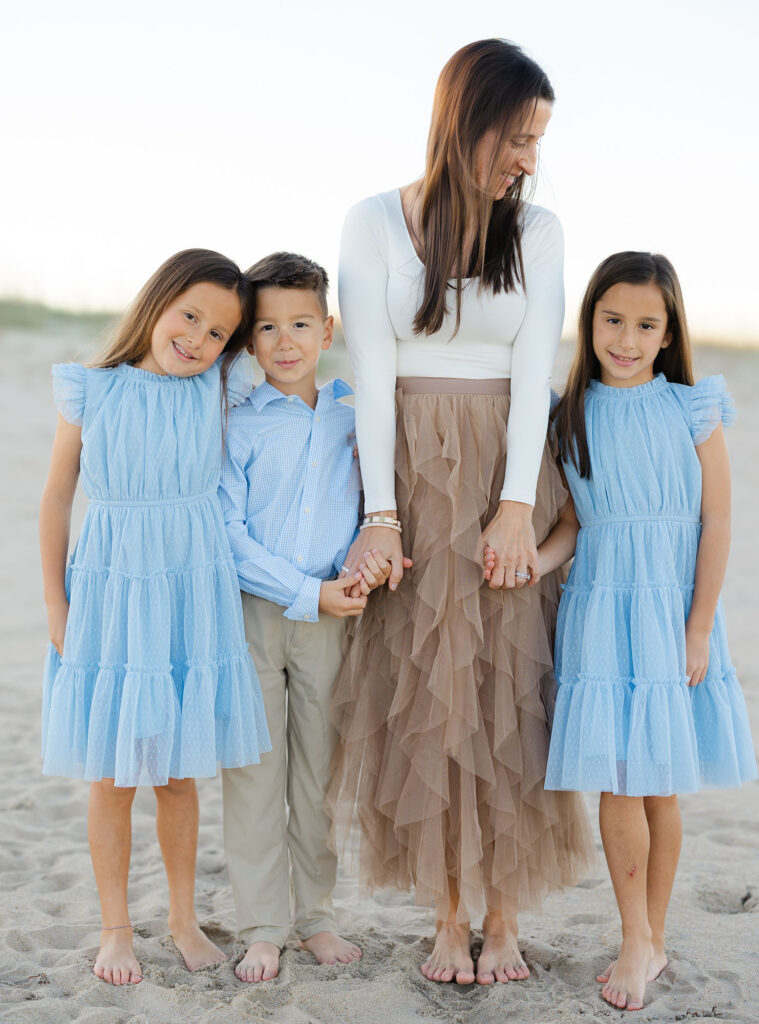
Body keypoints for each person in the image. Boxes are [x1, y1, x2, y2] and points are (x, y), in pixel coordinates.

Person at [327, 39, 594, 986]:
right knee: (428, 698)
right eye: (518, 136)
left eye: (537, 140)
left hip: (504, 467)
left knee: (509, 689)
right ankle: (446, 914)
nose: (529, 157)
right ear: (466, 119)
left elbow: (536, 377)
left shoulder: (541, 231)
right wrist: (383, 514)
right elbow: (368, 372)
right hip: (406, 469)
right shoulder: (373, 220)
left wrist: (518, 506)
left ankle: (507, 917)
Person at [39, 249, 271, 986]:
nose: (198, 339)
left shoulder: (220, 386)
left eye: (217, 333)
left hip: (189, 596)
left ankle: (180, 917)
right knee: (113, 775)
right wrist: (55, 602)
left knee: (176, 775)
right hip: (111, 596)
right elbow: (54, 499)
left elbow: (290, 341)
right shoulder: (93, 390)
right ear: (158, 302)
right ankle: (115, 929)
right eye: (190, 316)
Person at [538, 251, 757, 1011]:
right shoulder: (571, 412)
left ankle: (652, 939)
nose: (625, 339)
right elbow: (577, 521)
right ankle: (634, 935)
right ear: (590, 320)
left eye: (645, 325)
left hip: (670, 611)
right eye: (612, 320)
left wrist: (698, 627)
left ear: (668, 333)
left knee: (660, 785)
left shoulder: (691, 407)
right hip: (601, 607)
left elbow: (718, 520)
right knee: (619, 779)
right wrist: (531, 561)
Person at [218, 252, 397, 983]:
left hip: (334, 617)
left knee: (320, 773)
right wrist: (304, 591)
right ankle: (264, 924)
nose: (285, 341)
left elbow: (380, 511)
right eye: (266, 328)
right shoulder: (237, 423)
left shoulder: (360, 416)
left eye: (300, 324)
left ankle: (316, 916)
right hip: (255, 614)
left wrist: (362, 570)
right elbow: (225, 535)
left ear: (328, 329)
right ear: (249, 340)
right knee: (255, 774)